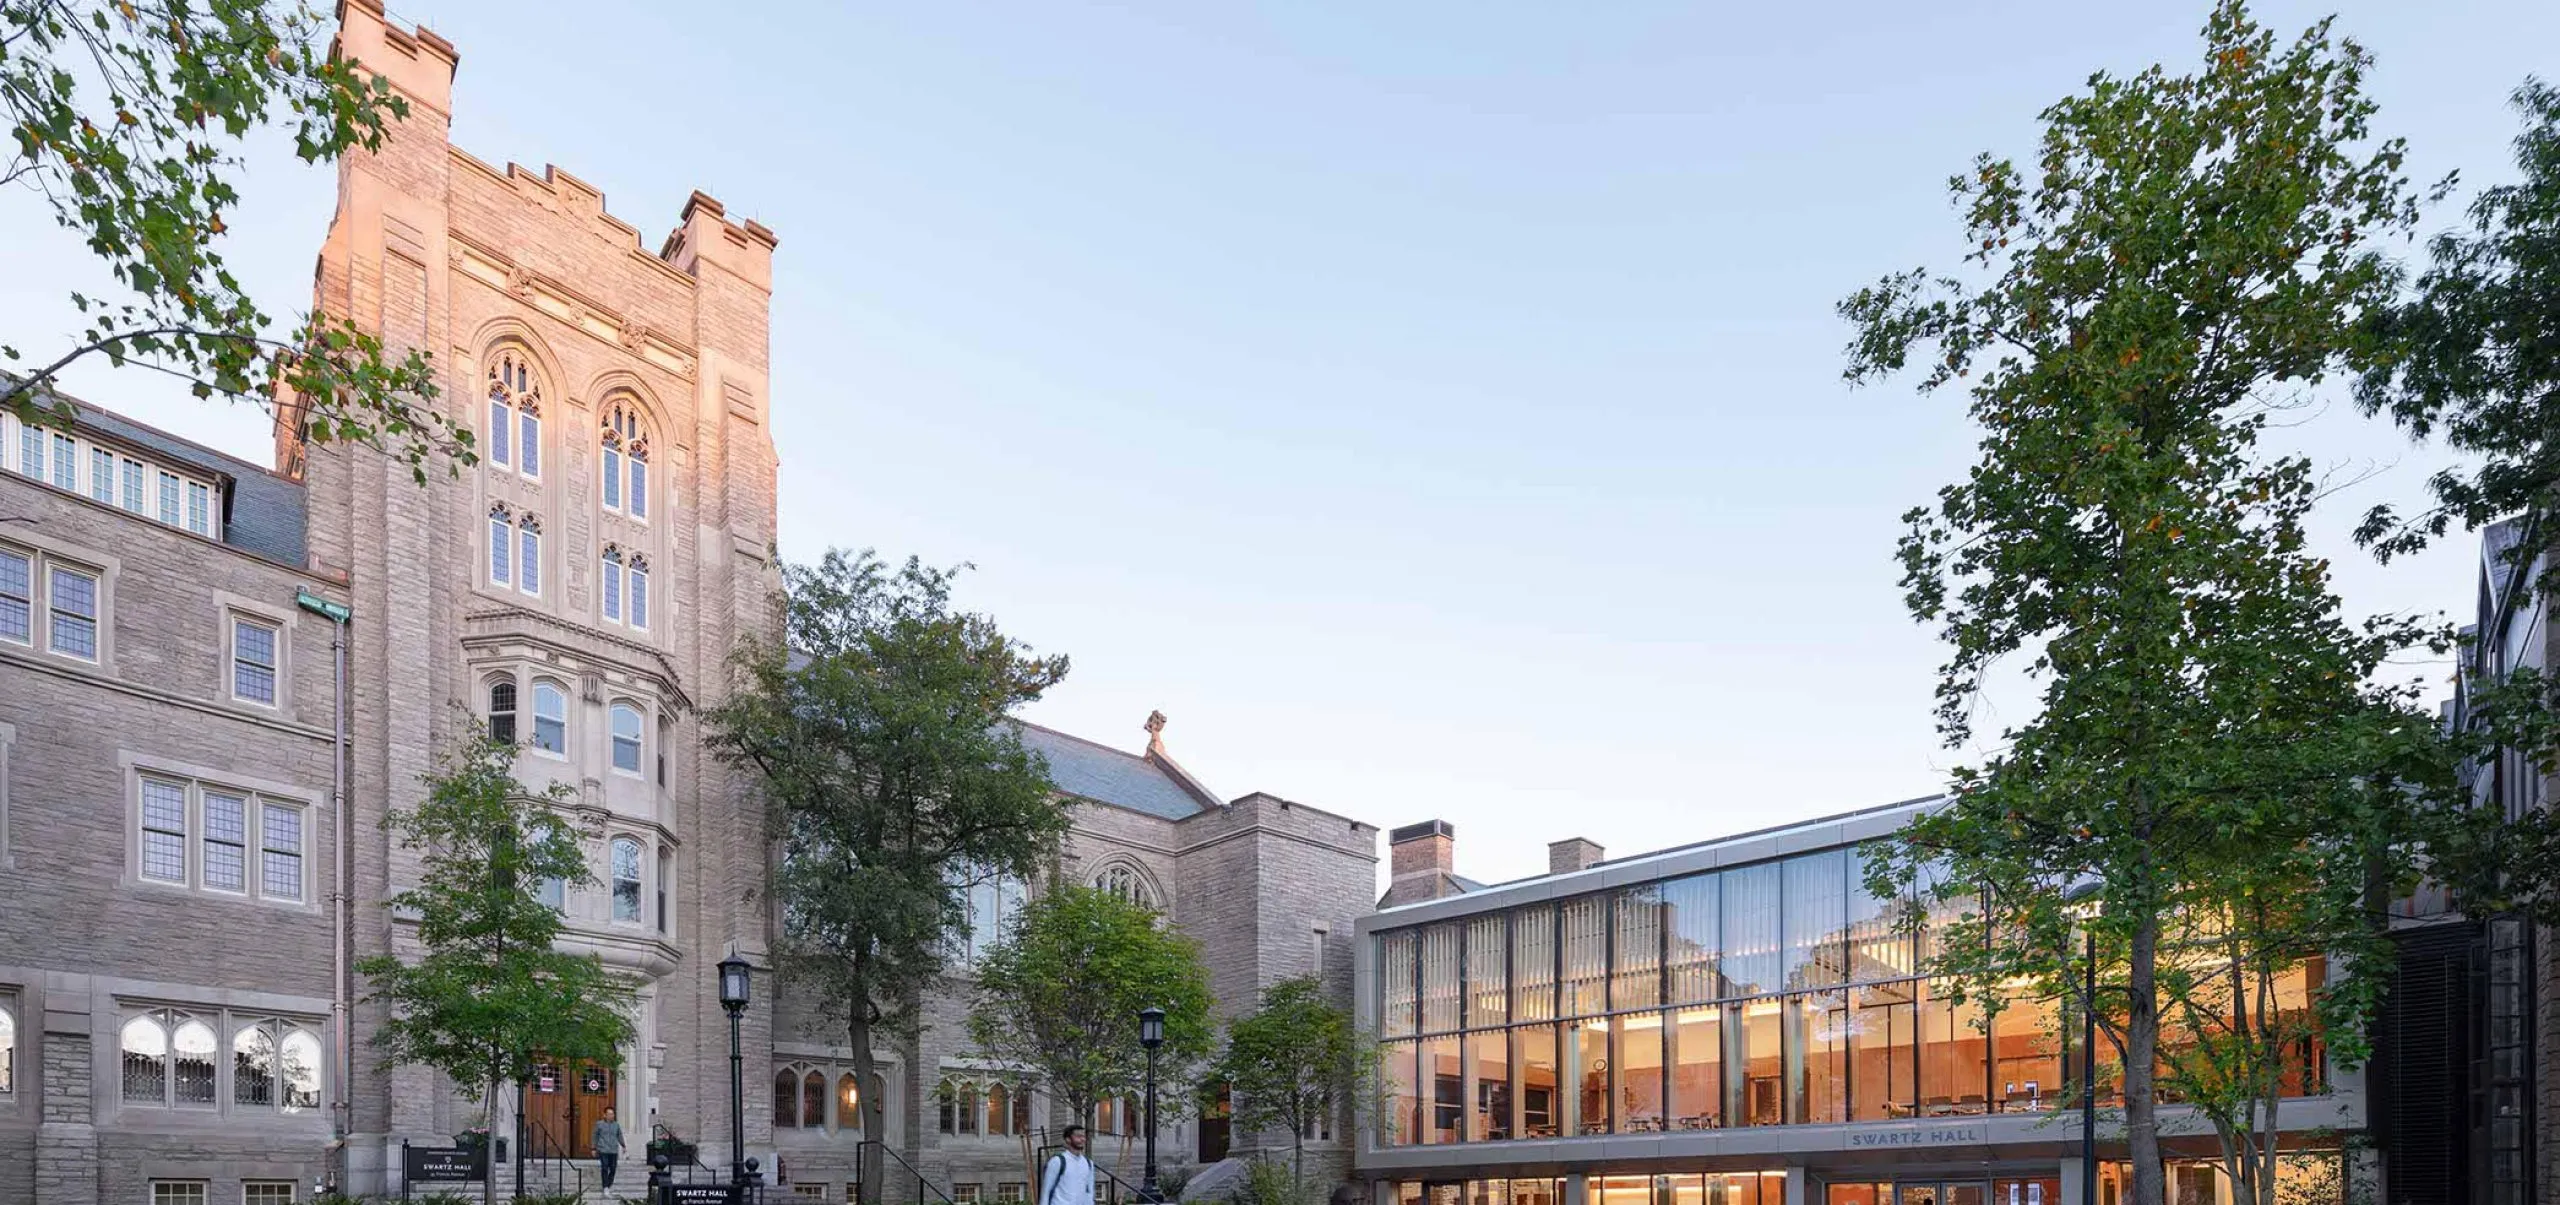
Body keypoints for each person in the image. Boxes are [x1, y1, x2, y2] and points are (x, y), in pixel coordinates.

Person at [1040, 1124, 1096, 1205]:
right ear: (1068, 1139)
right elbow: (1046, 1190)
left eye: (1083, 1136)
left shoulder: (1088, 1163)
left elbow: (1089, 1192)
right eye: (1078, 1136)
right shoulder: (1057, 1161)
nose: (1082, 1139)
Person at [592, 1105, 625, 1189]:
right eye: (609, 1114)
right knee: (605, 1167)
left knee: (613, 1169)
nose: (611, 1116)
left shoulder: (616, 1125)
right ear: (605, 1115)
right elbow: (595, 1136)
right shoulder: (599, 1124)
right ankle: (605, 1186)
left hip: (613, 1150)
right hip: (603, 1149)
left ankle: (609, 1184)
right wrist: (593, 1148)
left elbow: (619, 1135)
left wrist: (623, 1145)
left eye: (612, 1114)